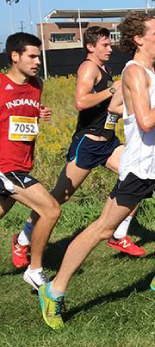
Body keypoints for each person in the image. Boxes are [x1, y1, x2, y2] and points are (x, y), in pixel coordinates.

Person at [39, 12, 155, 330]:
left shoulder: (148, 72)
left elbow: (122, 110)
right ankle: (54, 290)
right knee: (102, 230)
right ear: (138, 39)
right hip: (140, 167)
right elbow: (145, 122)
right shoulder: (134, 72)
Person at [14, 26, 145, 266]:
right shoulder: (88, 68)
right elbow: (81, 102)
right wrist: (113, 89)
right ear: (91, 46)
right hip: (88, 143)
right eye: (105, 45)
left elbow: (109, 105)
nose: (110, 48)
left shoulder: (104, 68)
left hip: (108, 142)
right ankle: (22, 240)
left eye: (110, 44)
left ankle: (118, 234)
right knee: (59, 196)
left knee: (137, 176)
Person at [0, 33, 57, 290]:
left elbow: (23, 117)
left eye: (38, 57)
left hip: (22, 163)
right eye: (32, 56)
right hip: (5, 167)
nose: (37, 62)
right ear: (15, 56)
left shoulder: (36, 84)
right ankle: (35, 270)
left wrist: (38, 114)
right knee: (51, 209)